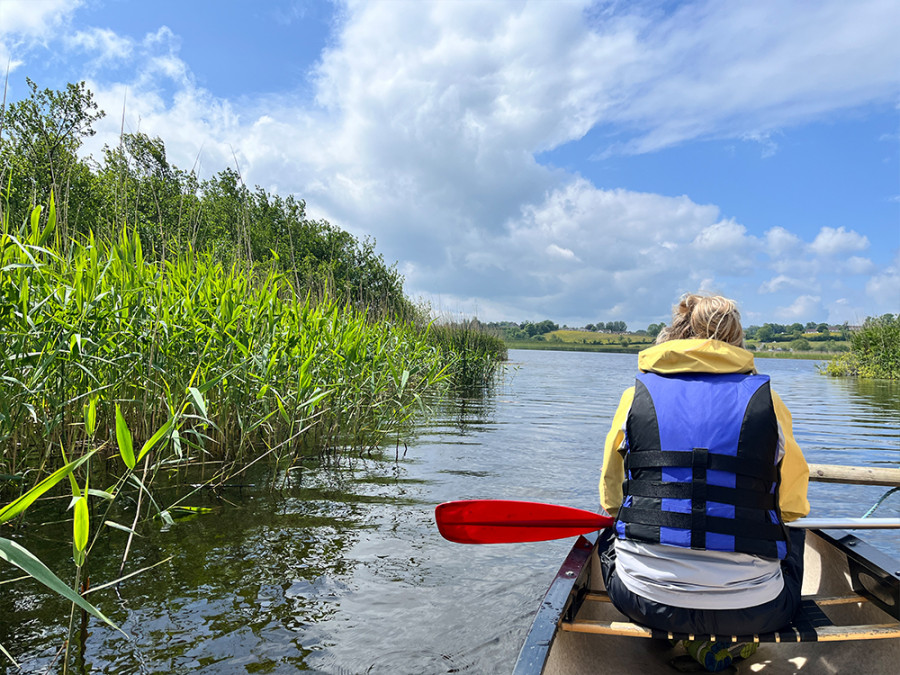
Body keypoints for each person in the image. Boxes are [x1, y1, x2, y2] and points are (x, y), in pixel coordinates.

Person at [599, 294, 810, 672]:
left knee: (607, 534)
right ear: (737, 340)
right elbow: (793, 505)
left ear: (675, 335)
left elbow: (612, 500)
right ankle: (722, 641)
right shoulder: (768, 401)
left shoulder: (634, 397)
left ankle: (683, 639)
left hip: (642, 599)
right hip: (756, 609)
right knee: (797, 533)